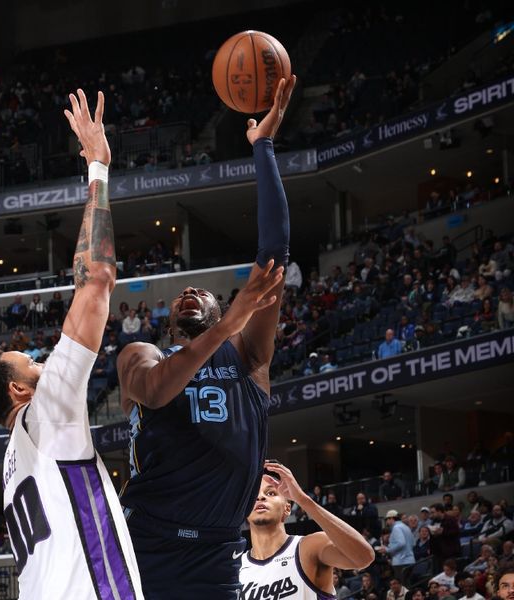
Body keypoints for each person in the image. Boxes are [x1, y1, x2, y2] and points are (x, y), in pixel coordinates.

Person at [117, 76, 296, 599]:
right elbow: (154, 392)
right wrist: (228, 320)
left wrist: (262, 148)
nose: (191, 290)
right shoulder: (141, 354)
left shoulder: (249, 356)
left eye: (206, 293)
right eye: (180, 297)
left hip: (217, 549)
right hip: (145, 540)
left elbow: (275, 254)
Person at [0, 89, 143, 599]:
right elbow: (96, 281)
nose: (37, 356)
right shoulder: (46, 410)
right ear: (20, 390)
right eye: (27, 360)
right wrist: (99, 168)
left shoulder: (13, 459)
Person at [239, 462, 374, 599]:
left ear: (287, 508)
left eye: (271, 493)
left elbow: (363, 558)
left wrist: (302, 499)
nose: (260, 497)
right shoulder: (236, 567)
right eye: (254, 495)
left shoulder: (308, 547)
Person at [380, 510, 416, 584]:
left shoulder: (396, 528)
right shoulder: (406, 527)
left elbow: (401, 543)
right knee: (408, 585)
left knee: (402, 586)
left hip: (400, 562)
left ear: (391, 519)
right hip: (410, 560)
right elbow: (413, 543)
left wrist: (388, 550)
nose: (386, 522)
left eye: (387, 519)